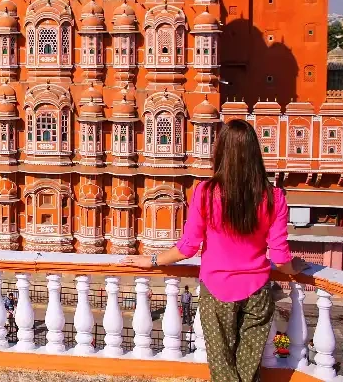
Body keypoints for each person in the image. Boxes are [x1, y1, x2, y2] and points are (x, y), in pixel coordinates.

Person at [124, 119, 307, 382]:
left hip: (217, 290)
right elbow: (280, 257)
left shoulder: (206, 193)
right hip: (257, 291)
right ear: (255, 153)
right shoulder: (273, 196)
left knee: (223, 371)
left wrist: (152, 260)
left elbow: (188, 247)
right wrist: (295, 267)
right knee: (247, 372)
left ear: (220, 152)